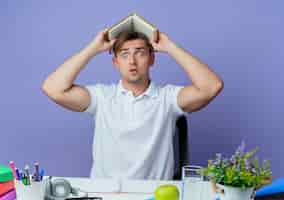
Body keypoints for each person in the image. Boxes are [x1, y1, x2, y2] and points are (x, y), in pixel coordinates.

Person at [42, 29, 224, 180]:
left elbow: (211, 86)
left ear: (152, 59)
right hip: (106, 194)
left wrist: (170, 47)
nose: (132, 61)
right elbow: (53, 88)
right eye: (124, 54)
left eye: (140, 53)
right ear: (115, 62)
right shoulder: (102, 97)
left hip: (154, 195)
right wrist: (92, 49)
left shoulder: (167, 98)